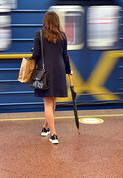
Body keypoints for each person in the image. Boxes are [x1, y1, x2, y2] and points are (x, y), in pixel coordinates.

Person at [31, 11, 73, 144]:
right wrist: (68, 70)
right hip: (59, 71)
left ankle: (54, 135)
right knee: (53, 102)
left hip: (45, 72)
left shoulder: (39, 34)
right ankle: (45, 128)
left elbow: (36, 55)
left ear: (45, 22)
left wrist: (32, 54)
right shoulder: (62, 35)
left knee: (48, 103)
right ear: (56, 22)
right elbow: (65, 55)